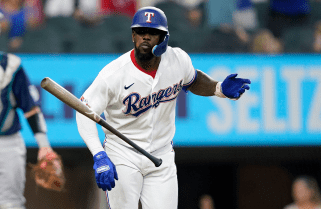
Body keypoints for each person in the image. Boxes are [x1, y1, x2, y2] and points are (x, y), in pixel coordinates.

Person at [76, 6, 251, 209]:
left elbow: (192, 79)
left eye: (152, 32)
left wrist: (218, 88)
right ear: (133, 35)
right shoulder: (114, 74)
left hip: (161, 155)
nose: (146, 37)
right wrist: (98, 154)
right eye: (141, 32)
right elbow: (84, 112)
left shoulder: (177, 60)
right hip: (123, 153)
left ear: (164, 38)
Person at [0, 12, 59, 209]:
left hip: (7, 143)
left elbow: (30, 108)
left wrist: (44, 146)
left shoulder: (12, 65)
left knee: (10, 205)